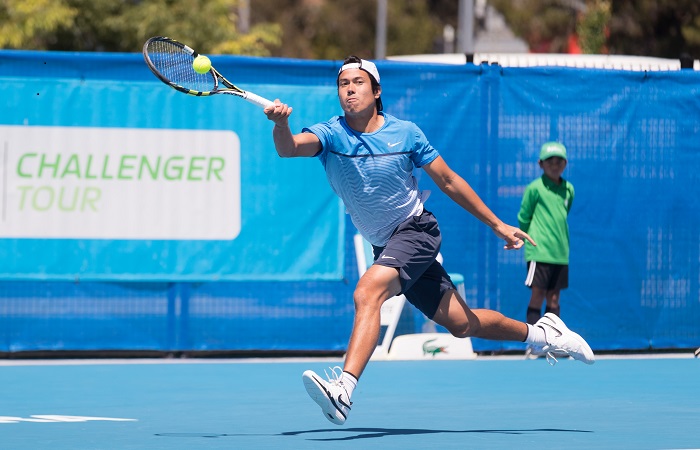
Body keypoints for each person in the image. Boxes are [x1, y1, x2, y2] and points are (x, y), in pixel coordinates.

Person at [263, 56, 594, 426]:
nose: (350, 89)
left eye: (358, 82)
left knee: (366, 292)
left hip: (417, 232)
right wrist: (281, 125)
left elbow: (449, 181)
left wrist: (498, 225)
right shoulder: (331, 134)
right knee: (462, 325)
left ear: (376, 91)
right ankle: (544, 332)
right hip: (386, 245)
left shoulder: (406, 134)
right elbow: (289, 147)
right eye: (343, 84)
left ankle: (343, 389)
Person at [517, 142, 574, 359]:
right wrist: (524, 238)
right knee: (537, 295)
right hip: (538, 252)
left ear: (565, 164)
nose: (554, 164)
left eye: (559, 160)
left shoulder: (569, 189)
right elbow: (524, 216)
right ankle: (534, 343)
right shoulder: (534, 189)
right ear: (541, 164)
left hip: (560, 254)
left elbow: (565, 212)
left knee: (554, 300)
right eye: (550, 161)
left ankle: (552, 342)